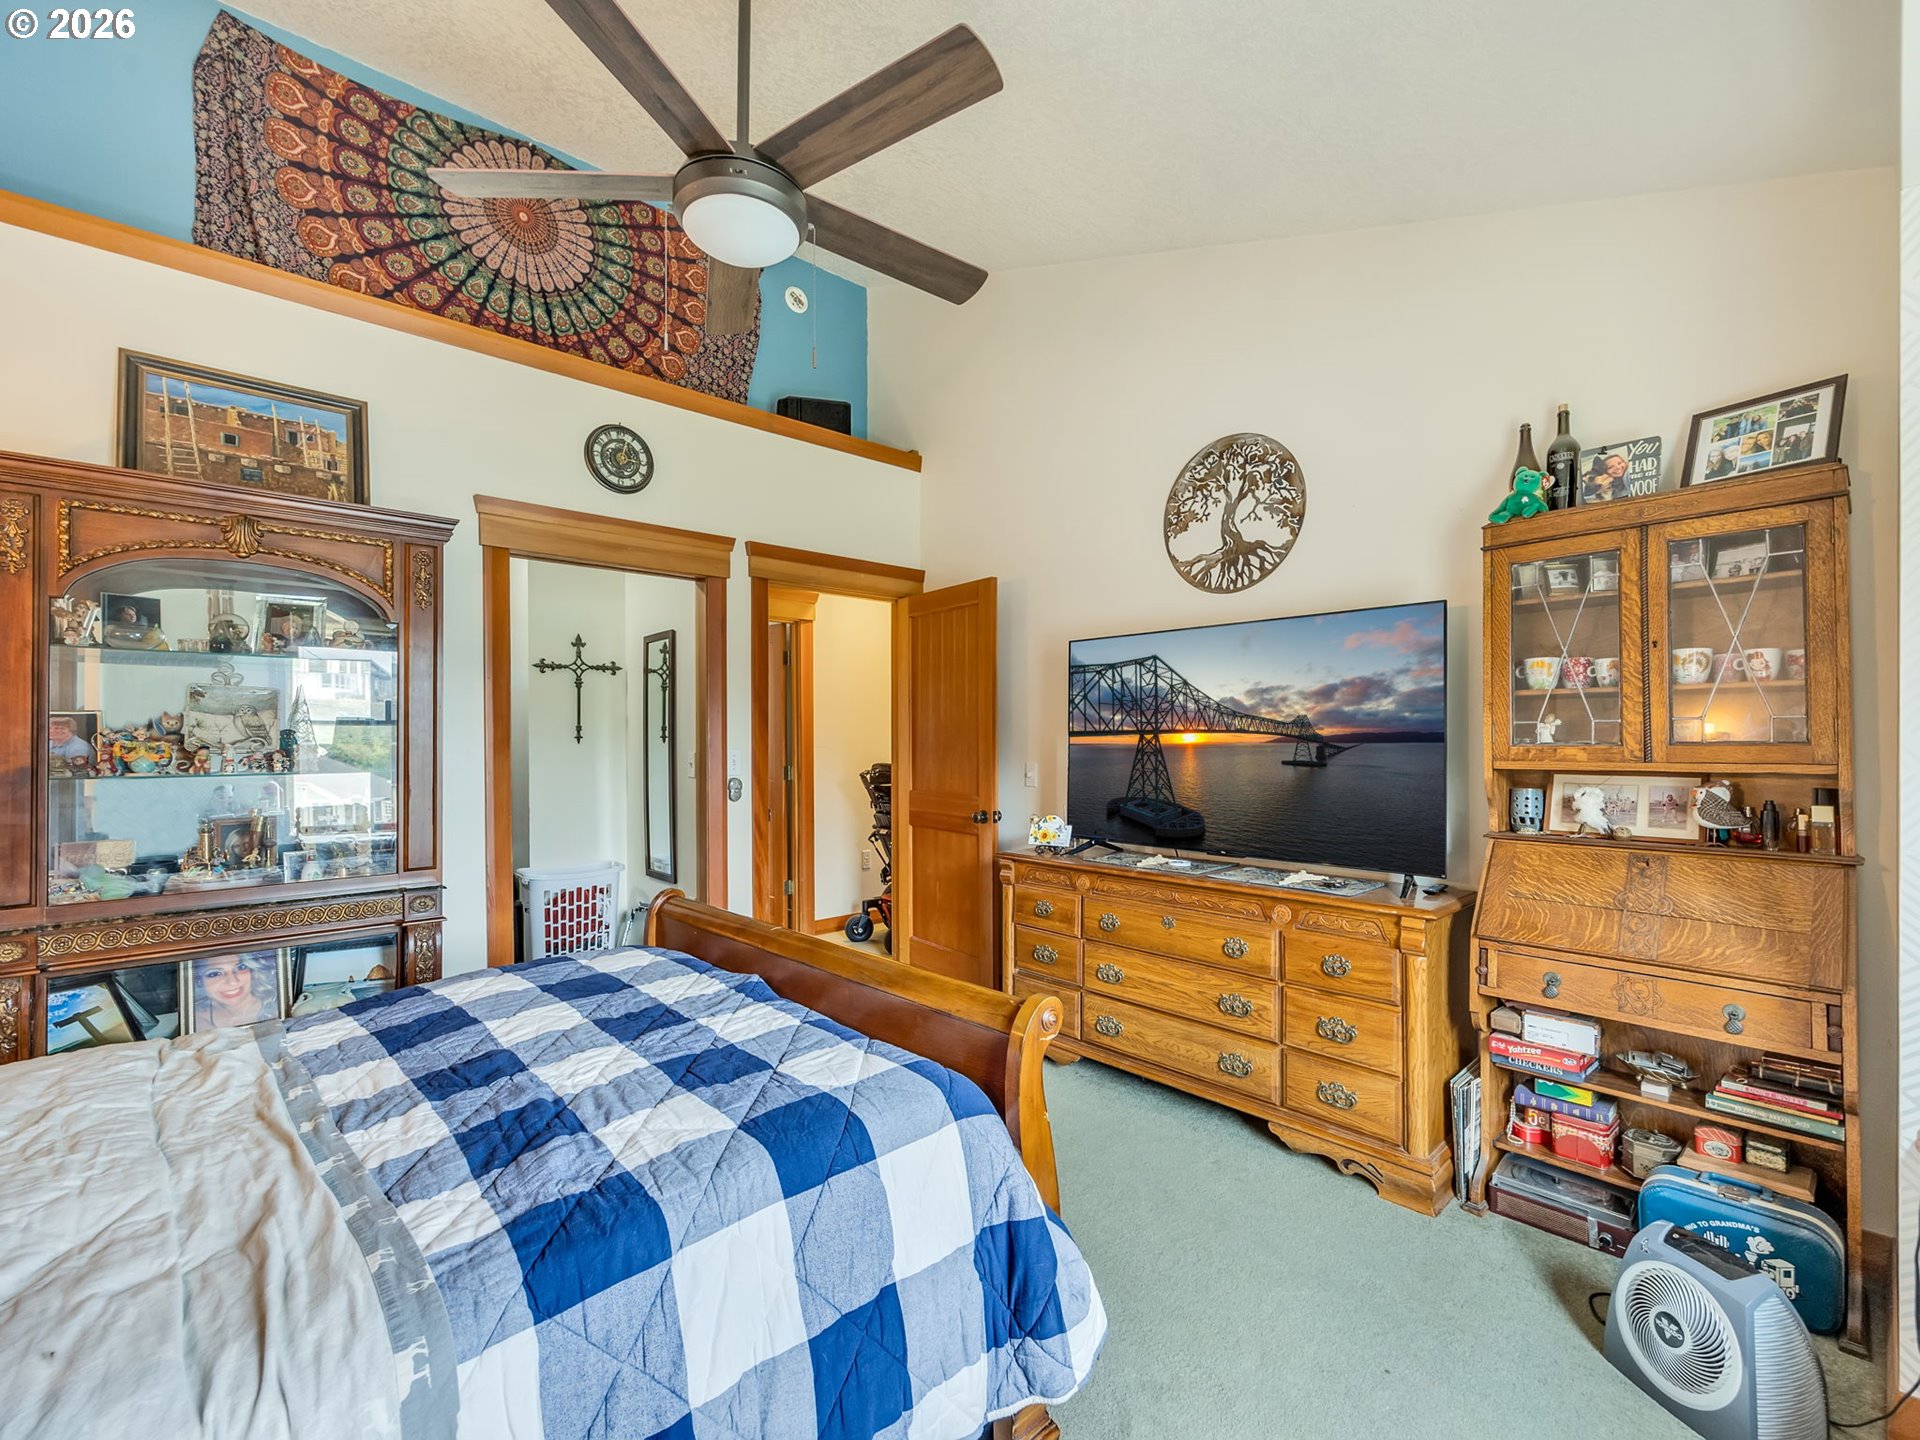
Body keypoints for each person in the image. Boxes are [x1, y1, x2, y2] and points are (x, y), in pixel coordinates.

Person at [194, 953, 279, 1028]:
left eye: (241, 967)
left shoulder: (277, 1006)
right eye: (215, 974)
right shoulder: (192, 1020)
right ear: (199, 982)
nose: (232, 982)